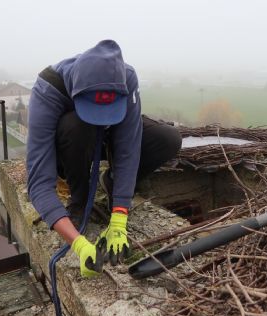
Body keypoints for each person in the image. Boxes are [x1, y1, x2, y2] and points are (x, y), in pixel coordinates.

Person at [26, 40, 181, 277]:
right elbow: (38, 184)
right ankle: (79, 198)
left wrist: (120, 213)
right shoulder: (48, 89)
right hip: (72, 141)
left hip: (108, 135)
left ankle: (110, 182)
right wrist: (78, 243)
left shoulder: (126, 78)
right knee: (77, 126)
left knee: (167, 138)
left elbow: (129, 147)